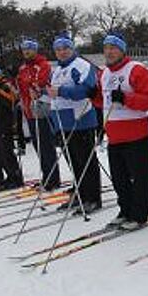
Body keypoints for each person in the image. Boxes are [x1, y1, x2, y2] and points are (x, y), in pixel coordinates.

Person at [96, 33, 148, 230]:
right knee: (119, 179)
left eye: (113, 48)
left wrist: (125, 98)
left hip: (136, 134)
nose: (109, 52)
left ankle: (139, 215)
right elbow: (105, 101)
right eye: (106, 48)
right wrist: (92, 96)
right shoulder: (104, 73)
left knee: (139, 179)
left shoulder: (136, 70)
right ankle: (125, 210)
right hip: (114, 136)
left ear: (122, 50)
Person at [46, 33, 102, 214]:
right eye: (58, 50)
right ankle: (80, 194)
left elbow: (86, 90)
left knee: (86, 161)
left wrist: (60, 90)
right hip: (64, 122)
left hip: (81, 120)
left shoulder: (81, 65)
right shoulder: (57, 70)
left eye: (65, 49)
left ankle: (92, 197)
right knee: (74, 163)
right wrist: (42, 93)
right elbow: (53, 93)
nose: (62, 52)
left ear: (72, 49)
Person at [17, 39, 61, 190]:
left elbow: (40, 82)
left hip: (42, 108)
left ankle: (53, 178)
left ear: (35, 50)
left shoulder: (43, 64)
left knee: (46, 145)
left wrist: (30, 84)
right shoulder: (23, 67)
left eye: (29, 49)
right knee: (38, 145)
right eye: (24, 50)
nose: (26, 52)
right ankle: (47, 175)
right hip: (30, 110)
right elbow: (21, 87)